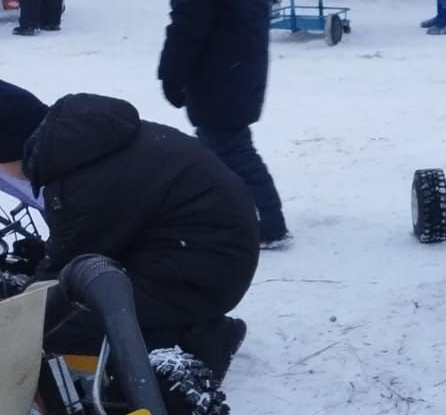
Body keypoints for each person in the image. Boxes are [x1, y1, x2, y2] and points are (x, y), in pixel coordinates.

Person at [0, 80, 259, 380]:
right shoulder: (80, 140)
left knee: (58, 331)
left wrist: (18, 311)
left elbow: (70, 274)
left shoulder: (79, 182)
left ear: (10, 148)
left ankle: (201, 340)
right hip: (204, 245)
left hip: (207, 267)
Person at [158, 0, 290, 248]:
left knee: (231, 147)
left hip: (218, 71)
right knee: (221, 145)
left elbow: (187, 24)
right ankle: (224, 213)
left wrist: (171, 72)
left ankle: (270, 222)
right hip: (241, 62)